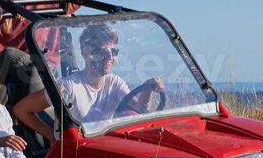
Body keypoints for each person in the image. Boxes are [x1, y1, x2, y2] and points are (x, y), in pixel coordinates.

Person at [13, 24, 163, 142]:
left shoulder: (114, 83)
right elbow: (21, 110)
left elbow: (139, 109)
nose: (110, 57)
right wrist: (51, 136)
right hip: (77, 154)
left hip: (104, 148)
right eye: (103, 51)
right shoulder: (69, 87)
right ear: (86, 54)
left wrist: (149, 89)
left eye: (114, 52)